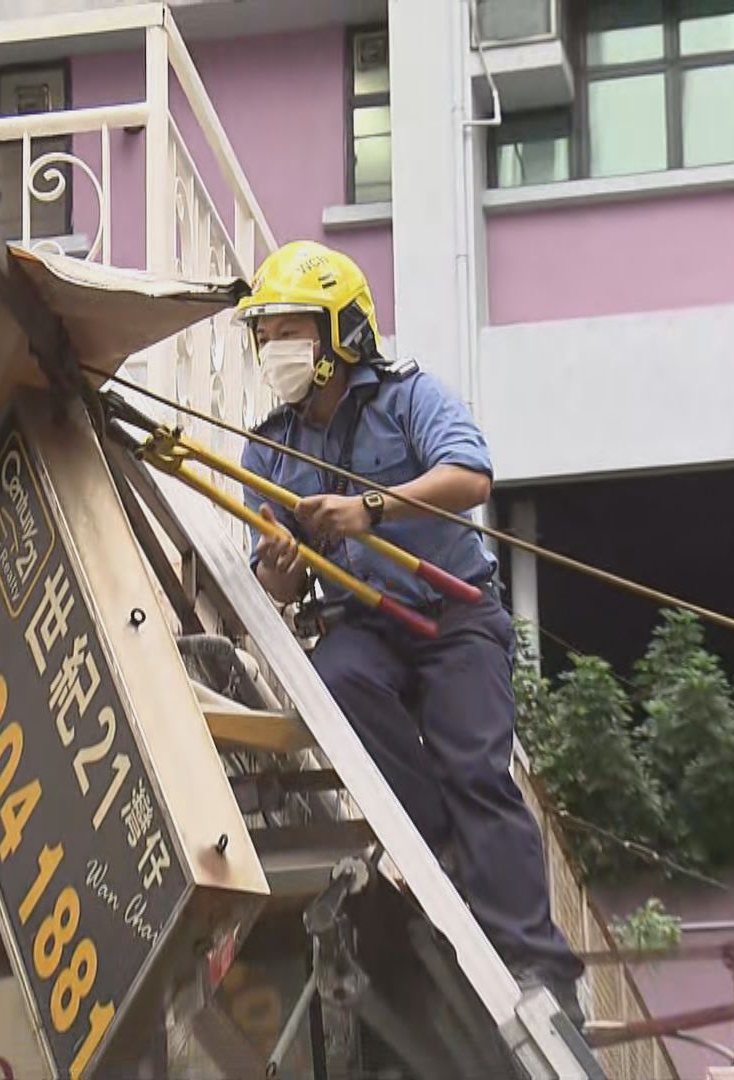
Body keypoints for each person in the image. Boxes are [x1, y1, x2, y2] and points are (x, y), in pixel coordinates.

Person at [235, 240, 586, 1023]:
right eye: (265, 334)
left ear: (339, 334)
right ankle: (446, 861)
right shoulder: (269, 447)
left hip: (455, 613)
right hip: (363, 621)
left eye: (289, 330)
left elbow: (470, 476)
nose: (273, 350)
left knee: (477, 770)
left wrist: (368, 509)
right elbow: (272, 584)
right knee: (338, 680)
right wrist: (284, 559)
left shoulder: (410, 397)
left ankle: (540, 964)